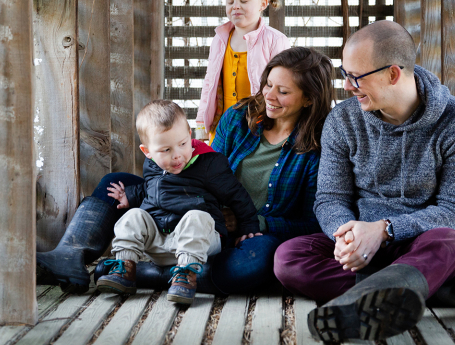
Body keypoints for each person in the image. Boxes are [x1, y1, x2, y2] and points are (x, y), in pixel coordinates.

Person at [37, 47, 334, 295]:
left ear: (308, 98)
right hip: (193, 207)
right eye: (268, 84)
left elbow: (313, 222)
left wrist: (256, 223)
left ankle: (142, 273)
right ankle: (70, 256)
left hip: (245, 235)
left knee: (258, 262)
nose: (268, 95)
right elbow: (201, 164)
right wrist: (161, 167)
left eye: (282, 91)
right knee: (116, 183)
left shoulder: (318, 149)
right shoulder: (238, 118)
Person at [273, 21, 455, 343]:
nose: (347, 87)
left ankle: (355, 304)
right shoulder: (343, 119)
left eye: (355, 77)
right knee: (289, 258)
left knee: (450, 244)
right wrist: (348, 233)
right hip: (360, 240)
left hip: (420, 243)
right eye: (345, 74)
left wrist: (385, 230)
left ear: (392, 74)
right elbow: (330, 197)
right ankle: (443, 289)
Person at [96, 100, 259, 305]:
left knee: (196, 216)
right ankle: (125, 269)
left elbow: (237, 195)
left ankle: (186, 277)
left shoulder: (209, 164)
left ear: (189, 134)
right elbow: (152, 187)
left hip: (199, 242)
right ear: (147, 151)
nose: (177, 155)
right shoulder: (152, 165)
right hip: (161, 242)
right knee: (132, 216)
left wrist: (249, 225)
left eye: (182, 144)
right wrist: (130, 195)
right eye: (165, 150)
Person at [195, 0, 290, 145]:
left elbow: (285, 86)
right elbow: (209, 83)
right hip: (222, 127)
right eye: (230, 1)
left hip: (258, 126)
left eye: (243, 1)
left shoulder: (276, 40)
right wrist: (201, 125)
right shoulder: (220, 39)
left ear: (263, 4)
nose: (235, 6)